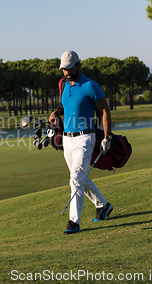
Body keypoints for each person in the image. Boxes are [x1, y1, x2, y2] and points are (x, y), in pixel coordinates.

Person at [49, 50, 113, 235]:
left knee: (76, 177)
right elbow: (64, 106)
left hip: (85, 138)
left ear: (79, 65)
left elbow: (105, 110)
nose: (67, 73)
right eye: (64, 69)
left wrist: (107, 136)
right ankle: (103, 206)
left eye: (70, 68)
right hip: (67, 140)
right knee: (79, 178)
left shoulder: (90, 86)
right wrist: (55, 113)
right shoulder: (63, 84)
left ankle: (73, 222)